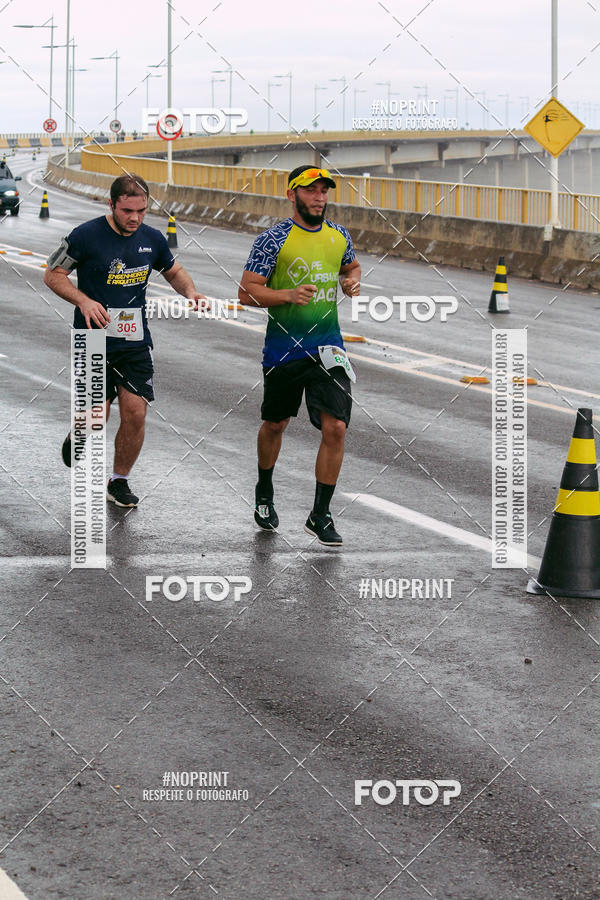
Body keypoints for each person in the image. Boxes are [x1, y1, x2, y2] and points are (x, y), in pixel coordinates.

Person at [44, 173, 205, 508]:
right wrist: (83, 301)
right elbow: (53, 274)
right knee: (97, 417)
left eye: (142, 211)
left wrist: (189, 291)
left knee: (135, 413)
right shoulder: (85, 236)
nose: (135, 218)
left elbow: (172, 271)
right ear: (112, 204)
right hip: (93, 341)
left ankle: (119, 481)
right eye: (128, 211)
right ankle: (81, 432)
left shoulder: (152, 239)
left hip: (134, 343)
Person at [238, 165, 361, 546]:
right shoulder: (273, 240)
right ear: (292, 194)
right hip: (283, 349)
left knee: (336, 427)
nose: (319, 197)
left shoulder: (339, 236)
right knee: (275, 425)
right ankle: (264, 491)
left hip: (328, 350)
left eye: (324, 191)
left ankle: (320, 514)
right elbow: (246, 293)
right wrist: (287, 295)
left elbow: (351, 266)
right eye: (310, 191)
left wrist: (351, 281)